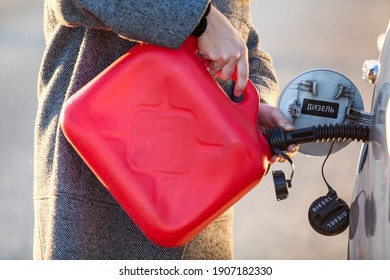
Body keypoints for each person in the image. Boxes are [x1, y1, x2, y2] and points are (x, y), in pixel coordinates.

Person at [34, 0, 297, 260]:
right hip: (96, 196)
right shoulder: (201, 17)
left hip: (200, 209)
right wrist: (200, 20)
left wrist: (255, 105)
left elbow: (242, 43)